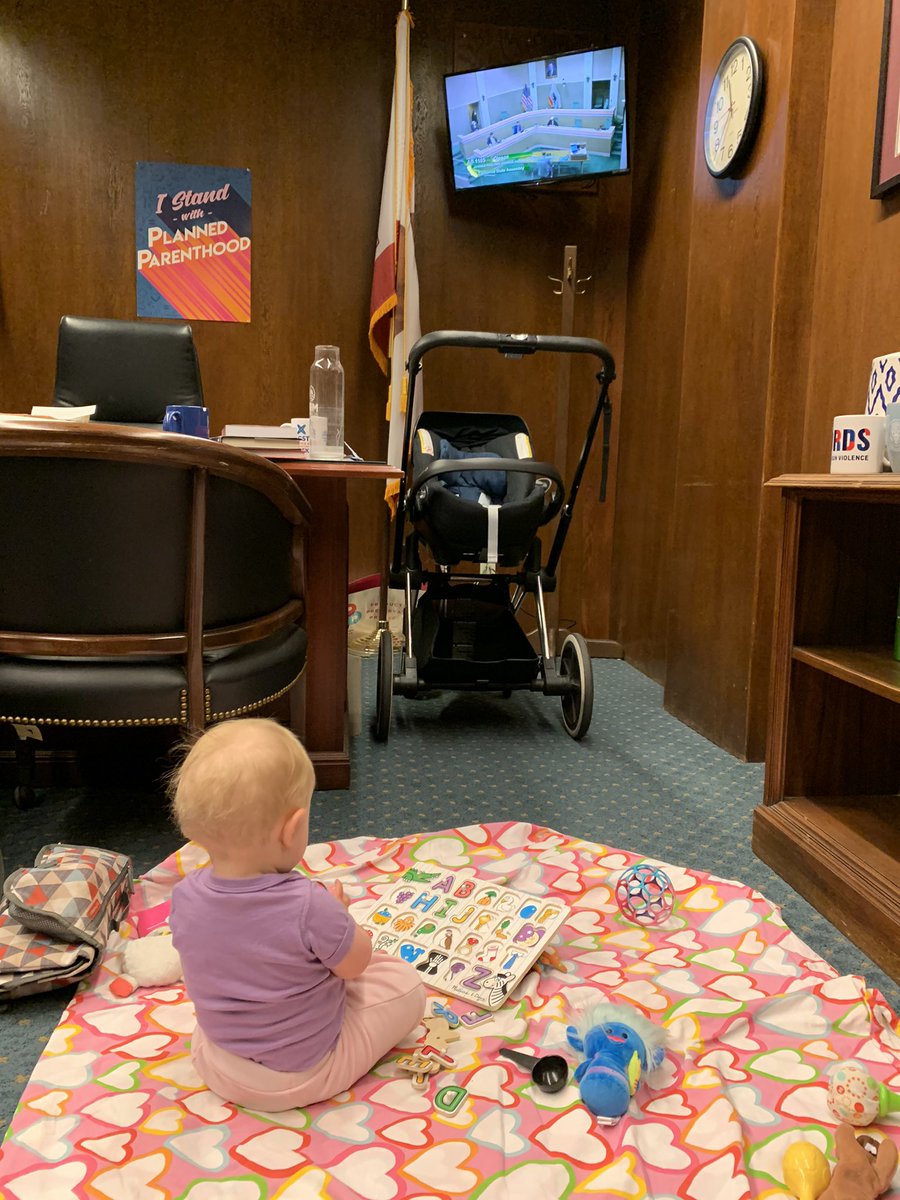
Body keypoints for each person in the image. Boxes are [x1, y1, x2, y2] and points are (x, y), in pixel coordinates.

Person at [169, 718, 426, 1111]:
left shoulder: (184, 895)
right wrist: (342, 920)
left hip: (218, 1063)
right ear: (292, 829)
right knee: (404, 984)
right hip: (302, 1074)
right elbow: (356, 965)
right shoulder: (309, 904)